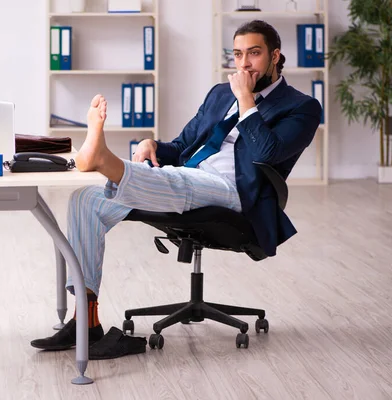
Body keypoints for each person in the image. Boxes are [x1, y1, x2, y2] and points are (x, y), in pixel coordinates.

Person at [31, 20, 322, 356]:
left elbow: (267, 152)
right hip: (191, 177)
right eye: (238, 54)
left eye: (253, 54)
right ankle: (86, 321)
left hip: (235, 192)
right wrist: (152, 143)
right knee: (86, 199)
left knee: (177, 179)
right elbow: (184, 145)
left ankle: (103, 161)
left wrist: (246, 101)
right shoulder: (219, 93)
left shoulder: (301, 106)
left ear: (275, 56)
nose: (243, 63)